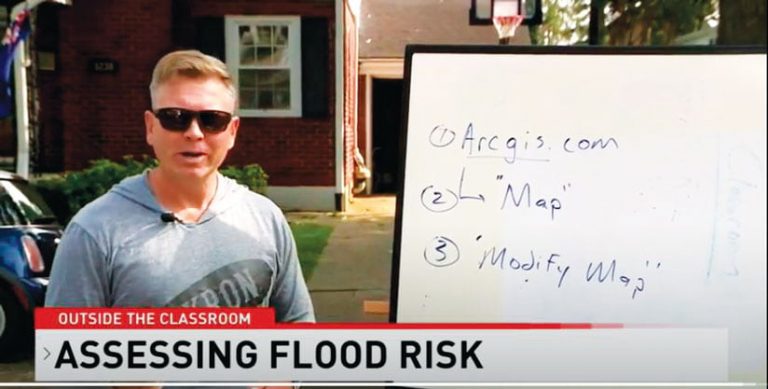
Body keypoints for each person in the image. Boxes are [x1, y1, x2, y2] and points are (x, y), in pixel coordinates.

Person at [45, 50, 314, 324]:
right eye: (175, 117)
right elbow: (67, 358)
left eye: (212, 120)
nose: (194, 132)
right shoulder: (94, 231)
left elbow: (299, 333)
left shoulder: (265, 219)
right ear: (150, 127)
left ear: (232, 132)